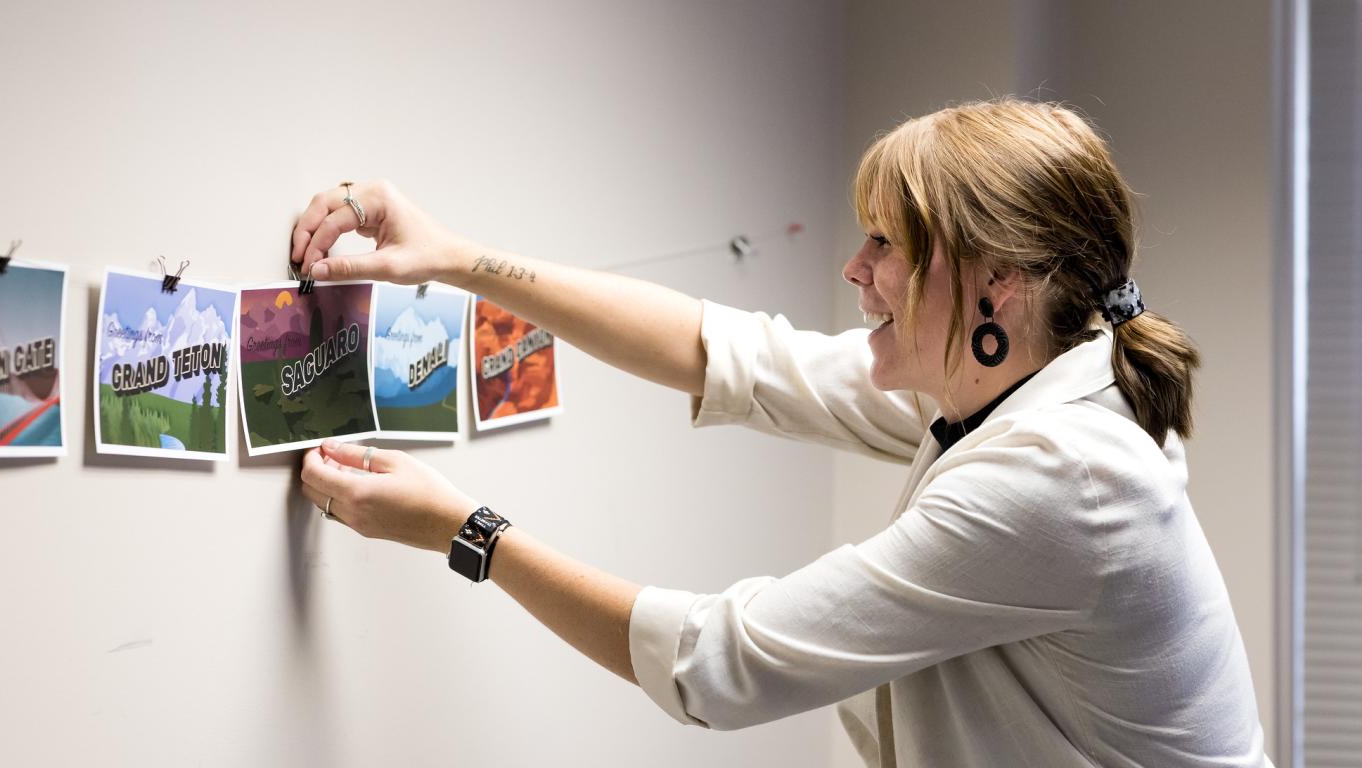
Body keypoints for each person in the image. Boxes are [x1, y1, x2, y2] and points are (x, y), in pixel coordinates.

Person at [291, 98, 1271, 767]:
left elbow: (715, 662)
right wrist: (457, 258)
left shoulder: (1062, 479)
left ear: (994, 285)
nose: (856, 269)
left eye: (888, 243)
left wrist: (467, 533)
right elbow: (726, 354)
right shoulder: (1023, 374)